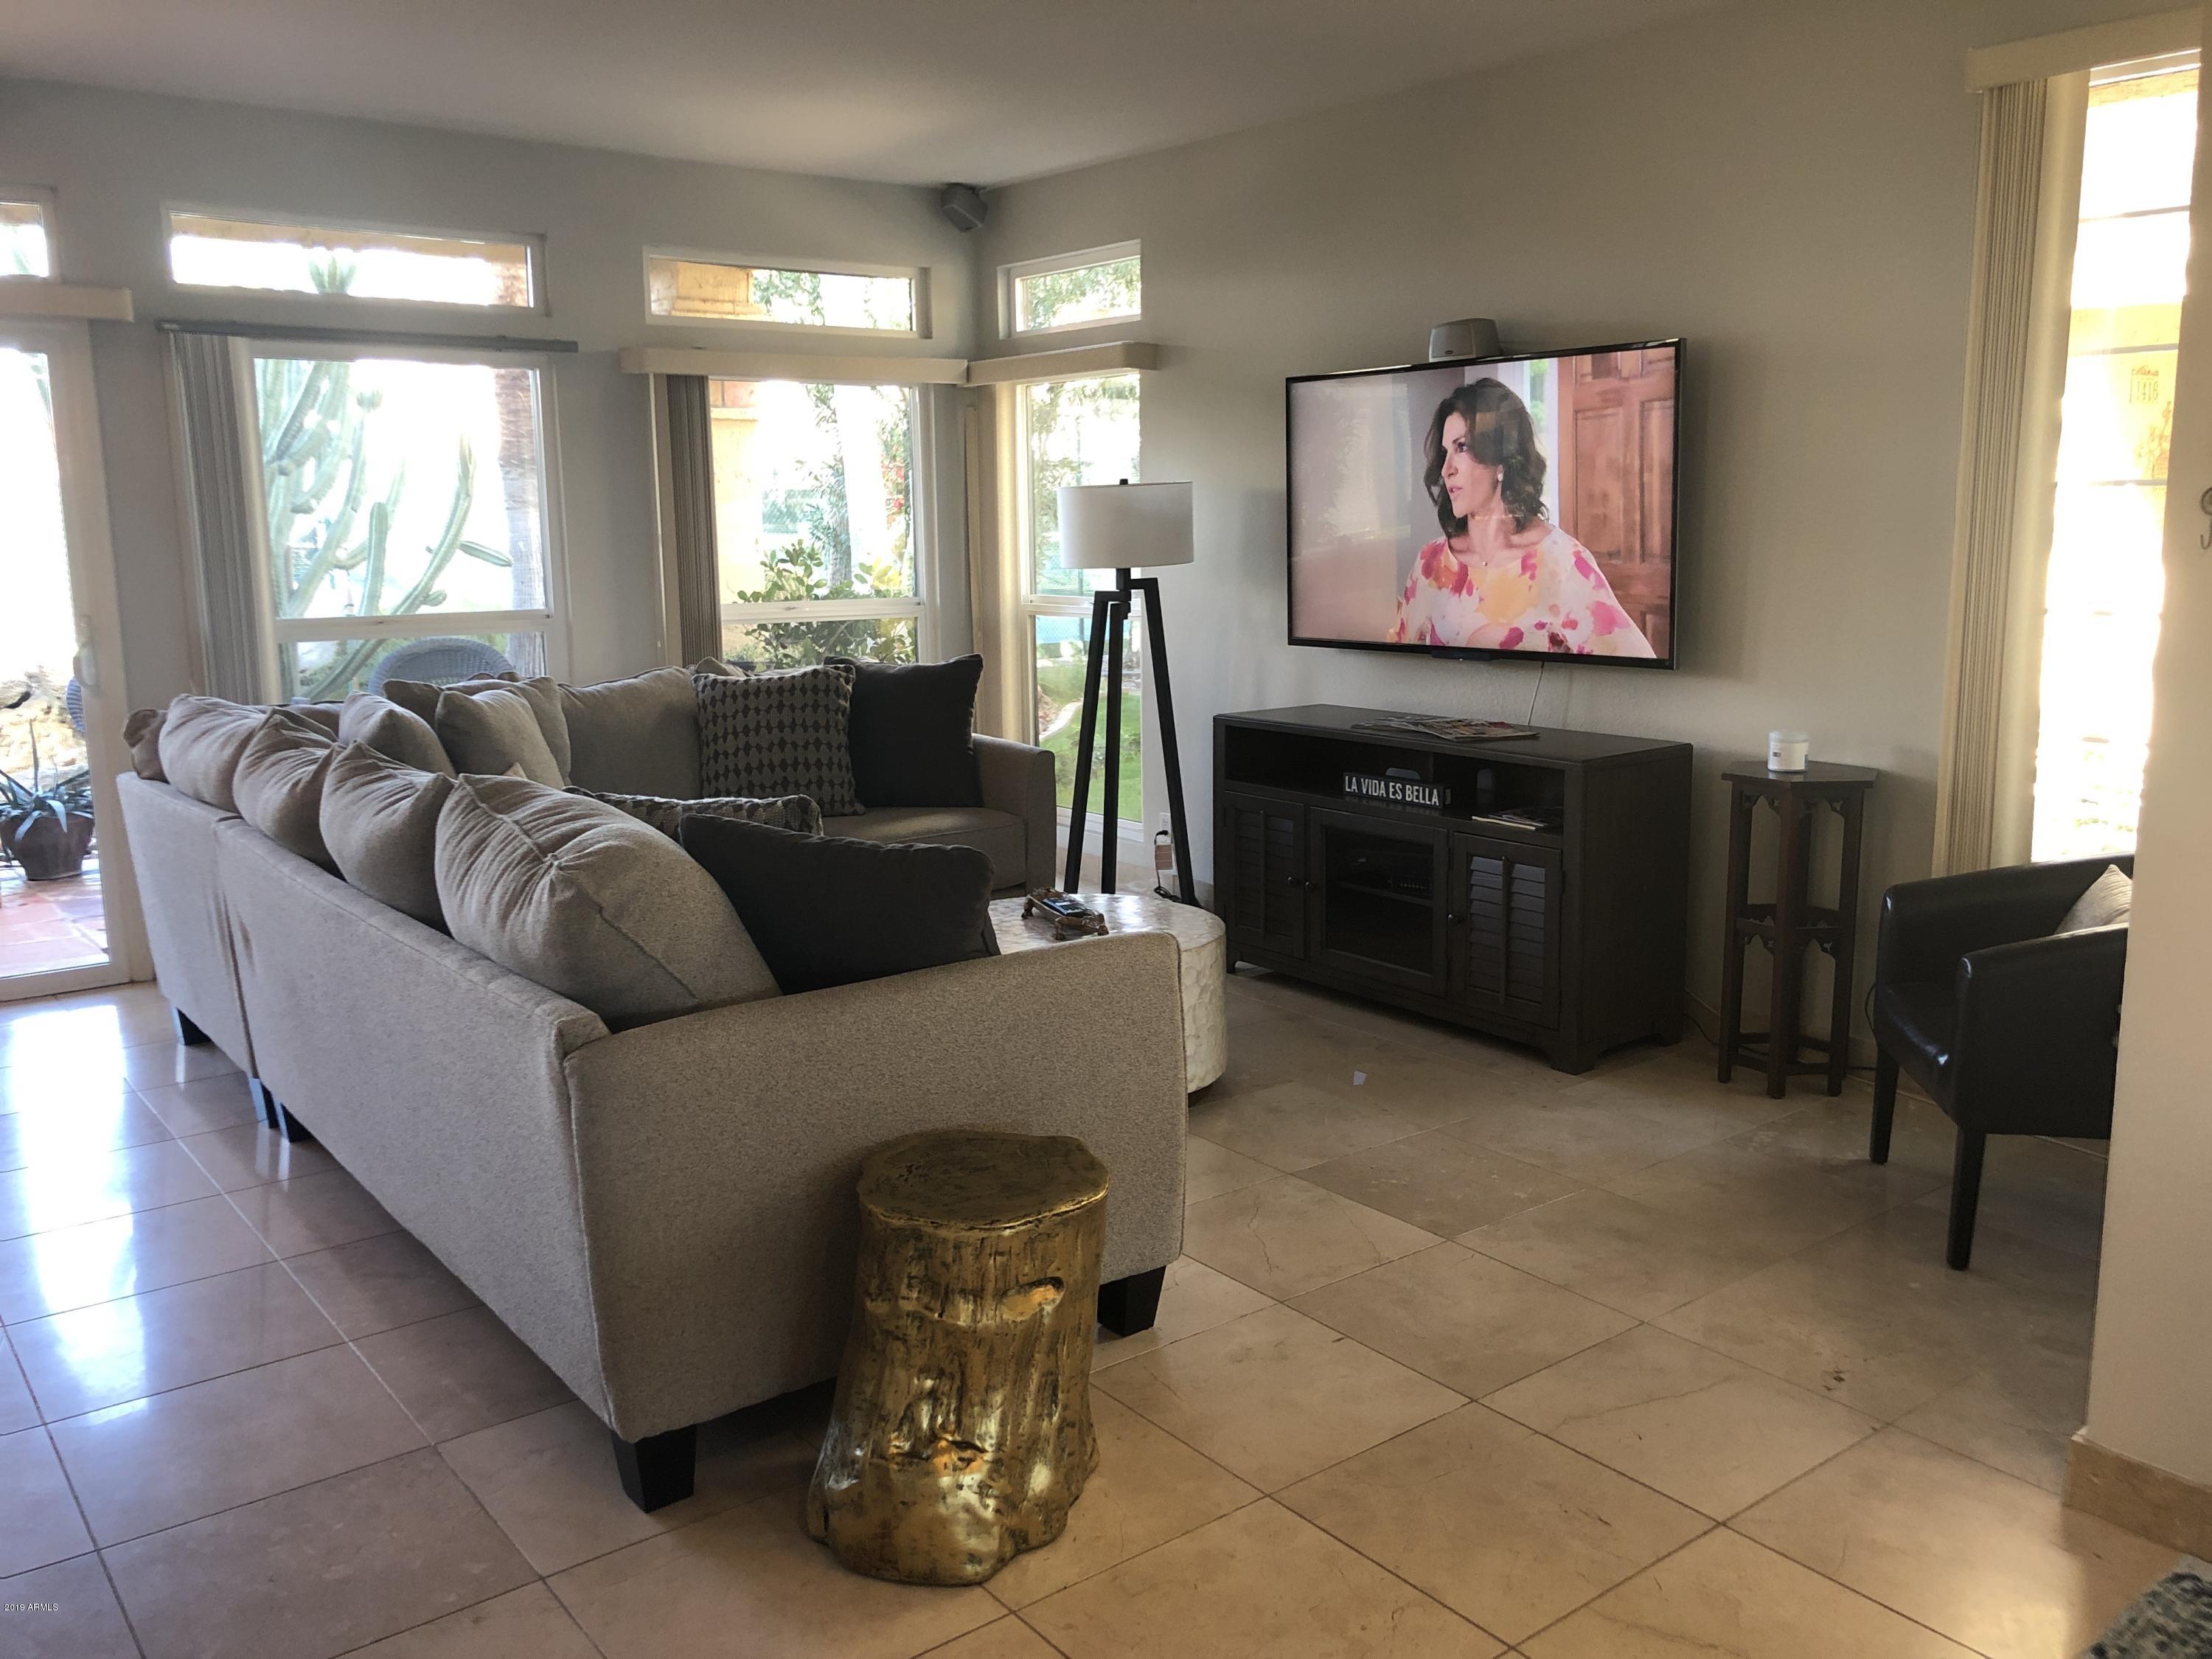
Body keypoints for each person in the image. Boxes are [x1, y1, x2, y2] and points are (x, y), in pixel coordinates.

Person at [1388, 378, 1656, 657]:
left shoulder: (1562, 565)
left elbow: (1640, 669)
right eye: (1445, 452)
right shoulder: (1430, 564)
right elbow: (1399, 666)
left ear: (1501, 459)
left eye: (1462, 447)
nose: (1446, 470)